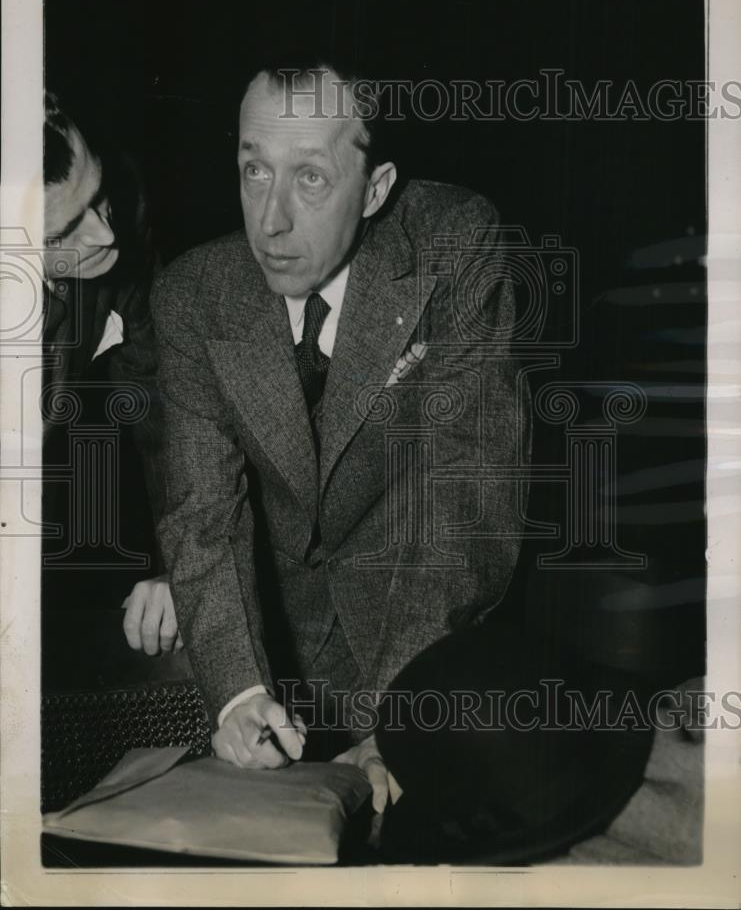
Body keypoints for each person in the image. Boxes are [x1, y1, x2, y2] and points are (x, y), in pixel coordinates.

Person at [152, 59, 653, 864]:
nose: (270, 221)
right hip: (270, 647)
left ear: (376, 186)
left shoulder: (455, 243)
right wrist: (239, 691)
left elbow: (463, 498)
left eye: (310, 178)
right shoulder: (190, 295)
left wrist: (402, 722)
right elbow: (201, 509)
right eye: (253, 170)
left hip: (421, 635)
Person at [42, 93, 176, 651]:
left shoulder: (125, 206)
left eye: (97, 198)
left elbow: (165, 413)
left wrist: (185, 568)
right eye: (63, 232)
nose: (103, 235)